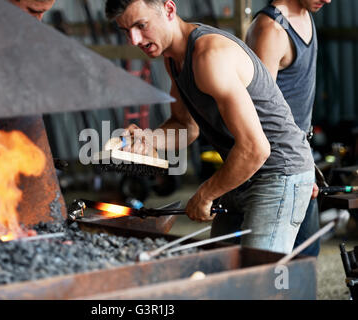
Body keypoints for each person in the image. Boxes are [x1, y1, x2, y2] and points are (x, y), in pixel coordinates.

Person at [105, 0, 315, 254]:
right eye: (126, 31)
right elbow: (186, 126)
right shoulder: (173, 59)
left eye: (141, 25)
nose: (134, 40)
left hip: (278, 172)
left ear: (169, 10)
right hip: (241, 171)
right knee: (219, 267)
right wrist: (149, 139)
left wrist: (205, 194)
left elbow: (255, 149)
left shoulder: (209, 55)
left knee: (257, 276)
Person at [246, 0, 331, 256]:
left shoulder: (305, 13)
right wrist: (295, 164)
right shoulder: (271, 30)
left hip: (298, 154)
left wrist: (304, 160)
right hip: (278, 165)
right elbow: (259, 115)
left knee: (305, 257)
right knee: (272, 270)